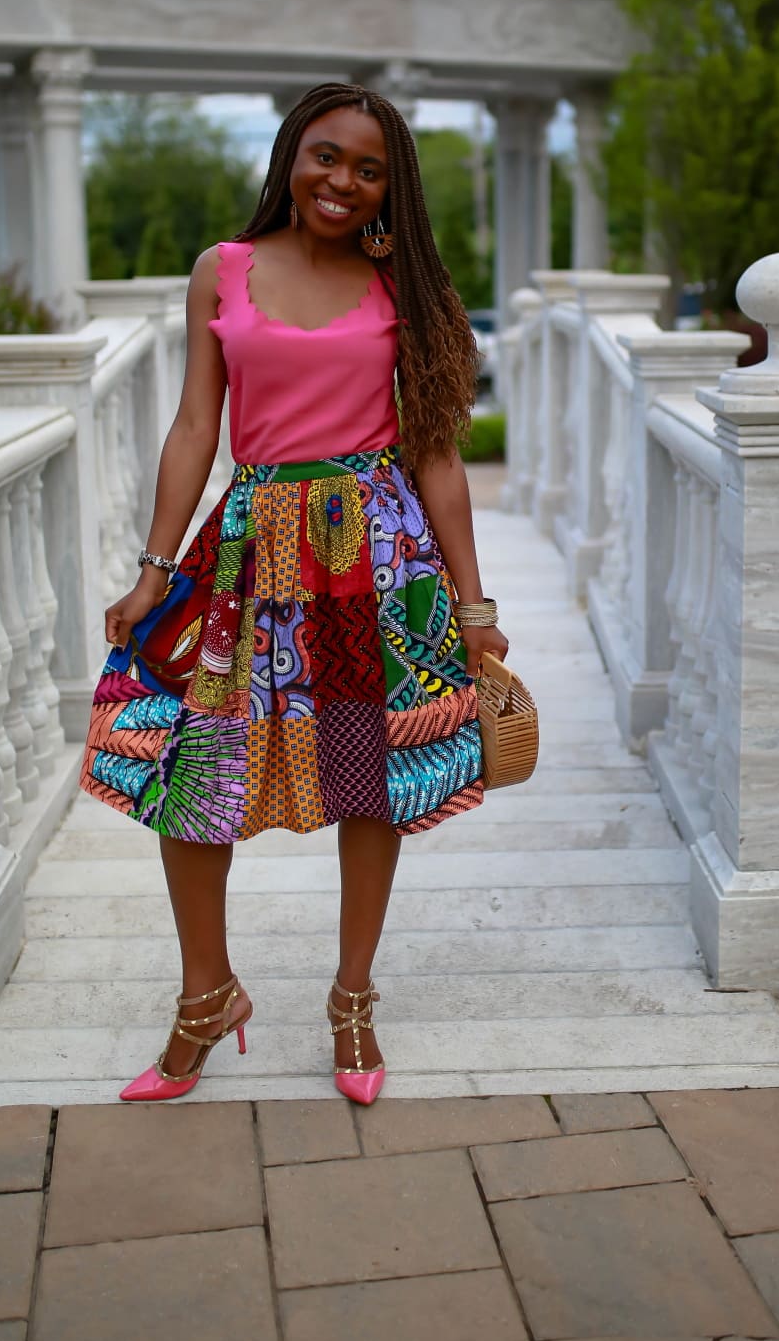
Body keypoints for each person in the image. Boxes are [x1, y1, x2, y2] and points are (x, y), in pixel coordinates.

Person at [79, 83, 508, 1105]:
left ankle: (352, 1000)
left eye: (367, 169)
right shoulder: (221, 271)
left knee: (369, 780)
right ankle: (205, 995)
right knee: (197, 779)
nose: (342, 182)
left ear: (387, 188)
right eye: (326, 156)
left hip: (373, 559)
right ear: (291, 155)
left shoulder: (400, 284)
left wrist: (474, 604)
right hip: (247, 556)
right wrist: (152, 570)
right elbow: (194, 427)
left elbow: (438, 453)